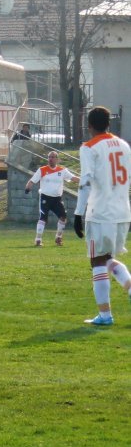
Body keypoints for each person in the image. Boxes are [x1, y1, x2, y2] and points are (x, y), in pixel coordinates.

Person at [73, 106, 131, 326]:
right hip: (122, 211)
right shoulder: (125, 145)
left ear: (89, 126)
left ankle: (105, 315)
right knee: (107, 258)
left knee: (97, 260)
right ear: (109, 124)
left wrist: (79, 213)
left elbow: (86, 181)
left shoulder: (89, 147)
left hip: (100, 211)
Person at [26, 151, 79, 247]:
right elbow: (32, 180)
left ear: (57, 159)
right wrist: (28, 187)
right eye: (49, 157)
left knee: (63, 218)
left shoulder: (62, 170)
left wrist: (86, 180)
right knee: (43, 218)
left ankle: (58, 237)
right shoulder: (42, 170)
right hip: (45, 198)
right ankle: (38, 240)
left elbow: (73, 178)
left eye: (53, 157)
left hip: (57, 199)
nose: (50, 159)